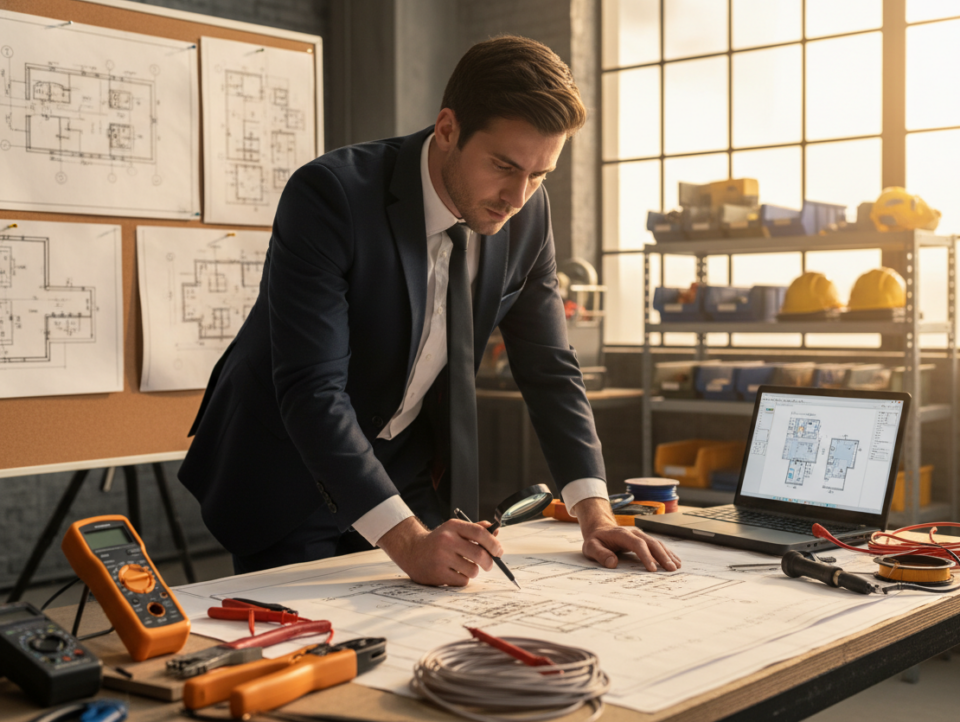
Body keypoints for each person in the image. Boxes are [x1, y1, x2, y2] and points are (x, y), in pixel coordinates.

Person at [178, 35, 680, 585]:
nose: (517, 197)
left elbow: (550, 369)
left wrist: (595, 513)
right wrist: (408, 542)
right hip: (286, 470)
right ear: (447, 129)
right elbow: (312, 389)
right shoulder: (330, 196)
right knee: (311, 633)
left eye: (540, 174)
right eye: (504, 166)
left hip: (405, 467)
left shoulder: (528, 213)